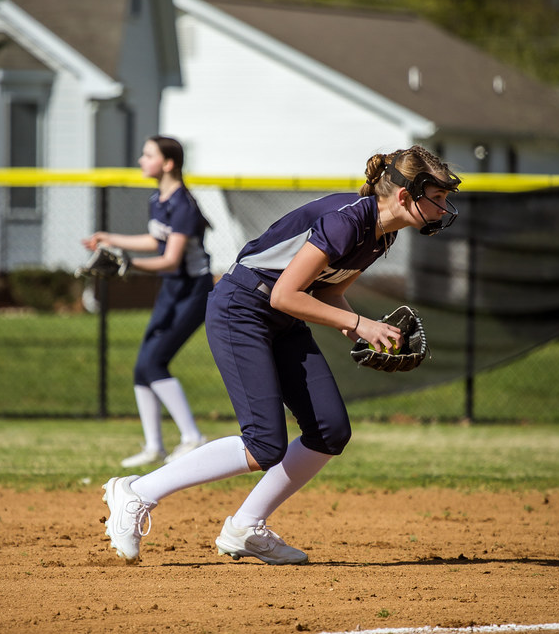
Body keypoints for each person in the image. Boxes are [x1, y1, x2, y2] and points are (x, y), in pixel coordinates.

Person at [101, 144, 461, 565]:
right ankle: (136, 493)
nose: (443, 207)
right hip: (241, 309)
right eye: (436, 197)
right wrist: (362, 324)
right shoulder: (350, 220)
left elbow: (328, 291)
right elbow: (284, 294)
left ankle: (245, 527)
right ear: (404, 197)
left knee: (329, 431)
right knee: (263, 443)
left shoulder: (383, 233)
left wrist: (357, 330)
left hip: (279, 318)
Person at [83, 135, 213, 468]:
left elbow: (170, 258)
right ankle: (155, 446)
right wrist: (110, 238)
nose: (141, 160)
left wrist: (126, 263)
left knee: (155, 363)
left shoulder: (183, 204)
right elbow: (155, 239)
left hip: (193, 290)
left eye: (148, 154)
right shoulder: (158, 199)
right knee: (143, 367)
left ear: (168, 163)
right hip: (172, 289)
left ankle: (193, 438)